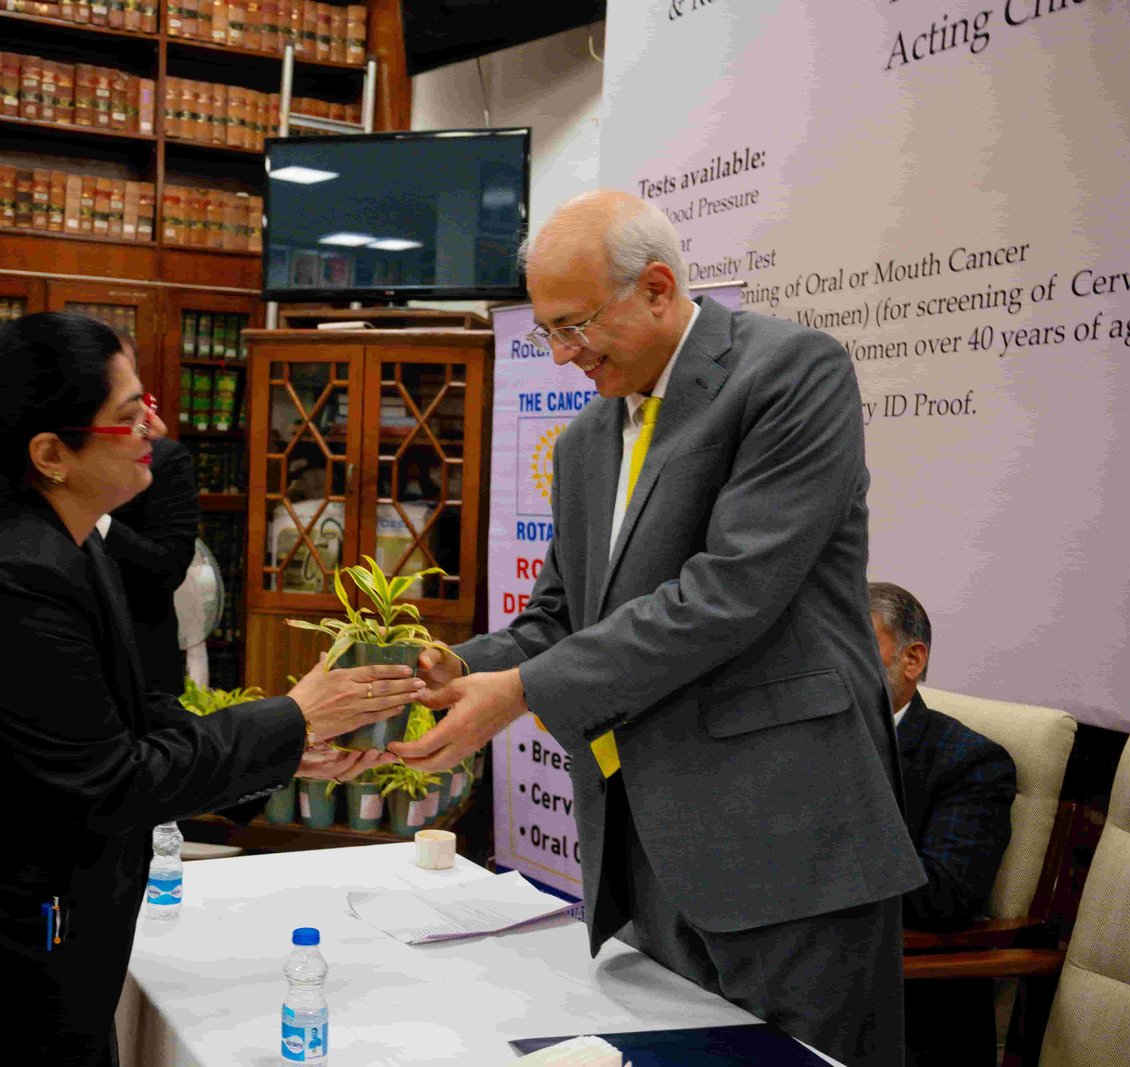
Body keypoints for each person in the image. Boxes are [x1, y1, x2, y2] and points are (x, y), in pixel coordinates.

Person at [0, 312, 416, 1065]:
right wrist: (291, 719)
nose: (152, 429)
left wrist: (287, 744)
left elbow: (119, 711)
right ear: (51, 454)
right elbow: (108, 778)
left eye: (147, 405)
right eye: (128, 415)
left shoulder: (63, 542)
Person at [390, 191, 925, 1067]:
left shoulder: (791, 373)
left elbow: (728, 593)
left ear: (658, 288)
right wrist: (449, 670)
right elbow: (561, 618)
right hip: (647, 851)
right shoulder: (586, 440)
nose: (562, 355)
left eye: (575, 326)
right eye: (547, 333)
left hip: (787, 844)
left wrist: (518, 691)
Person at [871, 581, 1017, 1067]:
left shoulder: (970, 762)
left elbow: (944, 895)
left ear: (911, 660)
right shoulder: (804, 743)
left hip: (902, 1001)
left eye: (854, 645)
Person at [99, 425, 200, 697]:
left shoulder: (164, 458)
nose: (156, 424)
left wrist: (91, 517)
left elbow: (169, 568)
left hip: (139, 667)